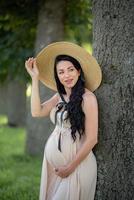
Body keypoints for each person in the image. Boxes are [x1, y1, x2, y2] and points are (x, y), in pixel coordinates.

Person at [25, 41, 102, 200]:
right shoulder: (58, 97)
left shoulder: (88, 99)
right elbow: (36, 112)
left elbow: (92, 139)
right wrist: (34, 78)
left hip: (77, 167)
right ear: (57, 76)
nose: (66, 75)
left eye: (70, 70)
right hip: (55, 167)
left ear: (79, 71)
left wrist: (69, 167)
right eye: (61, 72)